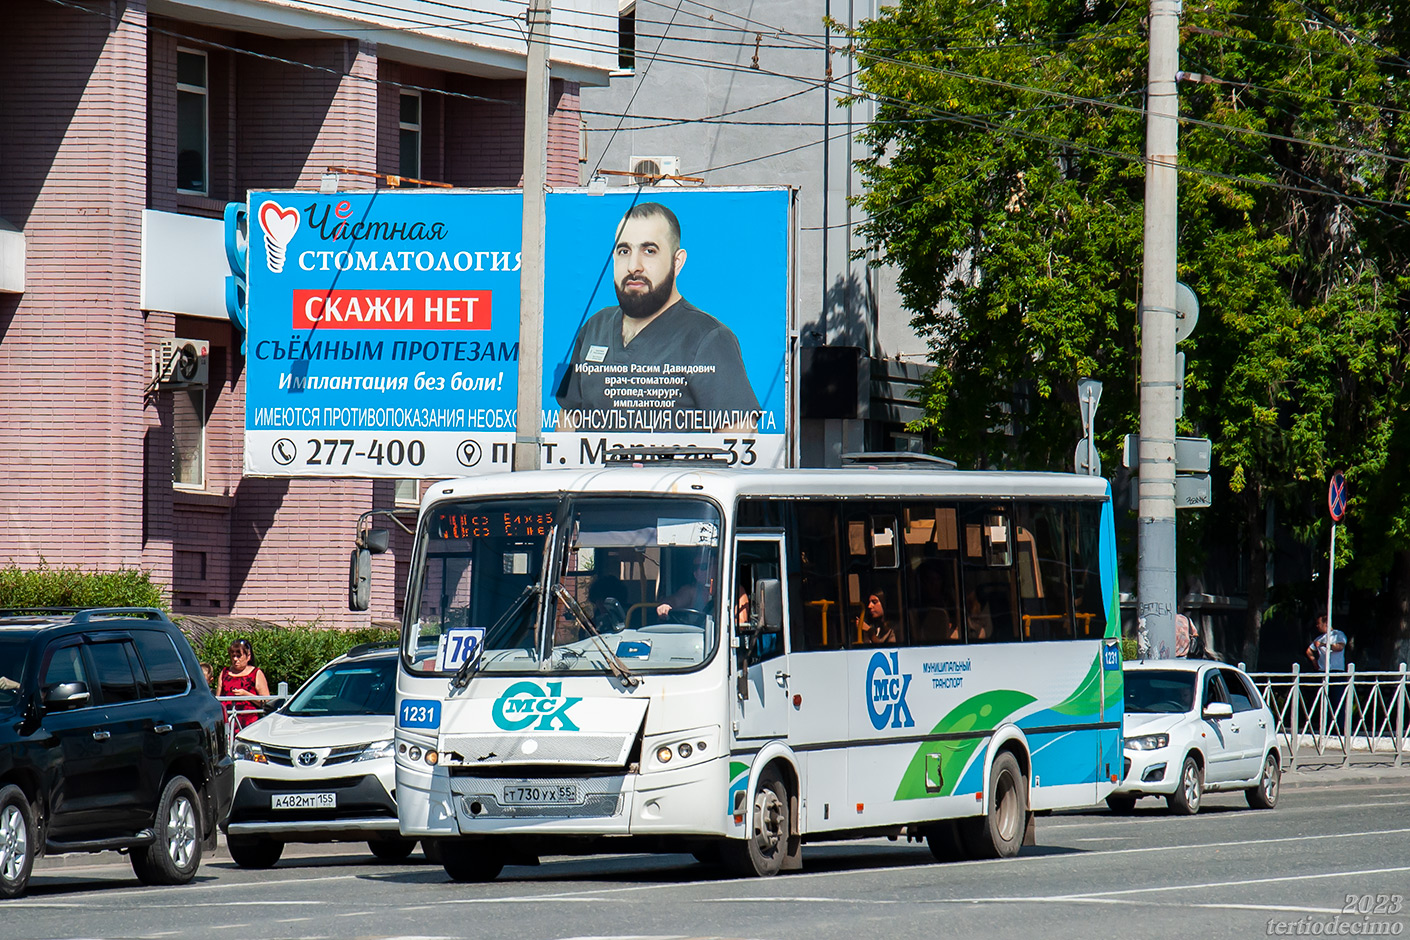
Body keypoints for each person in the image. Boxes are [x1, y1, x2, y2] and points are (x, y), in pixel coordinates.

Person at [555, 202, 761, 430]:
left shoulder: (710, 337)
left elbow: (739, 432)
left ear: (677, 261)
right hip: (597, 467)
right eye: (624, 251)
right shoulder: (593, 326)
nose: (634, 266)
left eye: (649, 251)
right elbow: (568, 414)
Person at [219, 638, 270, 731]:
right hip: (227, 722)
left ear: (248, 656)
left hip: (248, 724)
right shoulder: (224, 672)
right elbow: (218, 699)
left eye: (239, 656)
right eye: (233, 656)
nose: (235, 659)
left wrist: (246, 695)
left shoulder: (256, 673)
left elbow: (267, 702)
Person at [657, 553, 716, 618]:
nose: (698, 571)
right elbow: (675, 600)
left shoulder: (727, 593)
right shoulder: (691, 592)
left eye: (703, 566)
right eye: (695, 568)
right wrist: (666, 605)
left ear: (716, 566)